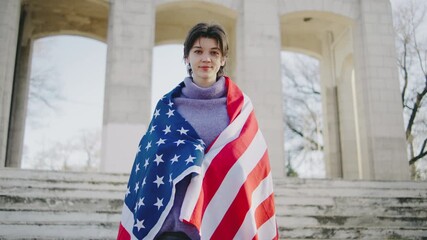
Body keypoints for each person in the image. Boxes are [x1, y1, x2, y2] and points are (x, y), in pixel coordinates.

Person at [117, 22, 278, 240]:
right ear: (187, 58)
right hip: (173, 231)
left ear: (223, 60)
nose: (206, 59)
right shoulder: (168, 107)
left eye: (214, 52)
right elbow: (149, 163)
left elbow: (253, 166)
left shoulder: (241, 110)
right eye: (198, 51)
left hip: (227, 228)